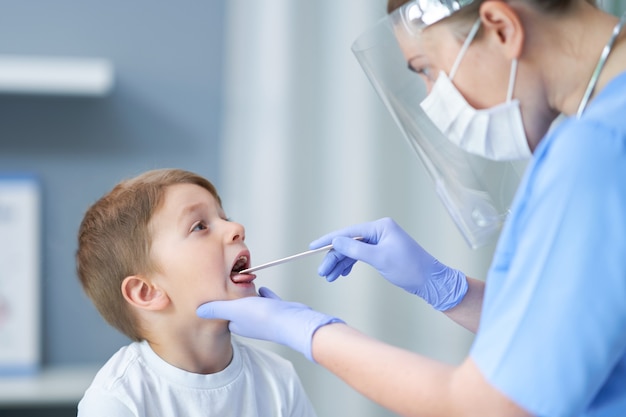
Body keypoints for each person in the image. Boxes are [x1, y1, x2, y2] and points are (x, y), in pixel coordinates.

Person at [197, 0, 626, 416]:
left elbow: (491, 405)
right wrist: (447, 288)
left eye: (426, 69)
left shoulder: (596, 153)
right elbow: (569, 329)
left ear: (501, 27)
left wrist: (307, 330)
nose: (431, 97)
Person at [76, 168, 318, 417]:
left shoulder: (278, 379)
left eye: (224, 218)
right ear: (147, 291)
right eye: (200, 226)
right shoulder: (118, 400)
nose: (236, 227)